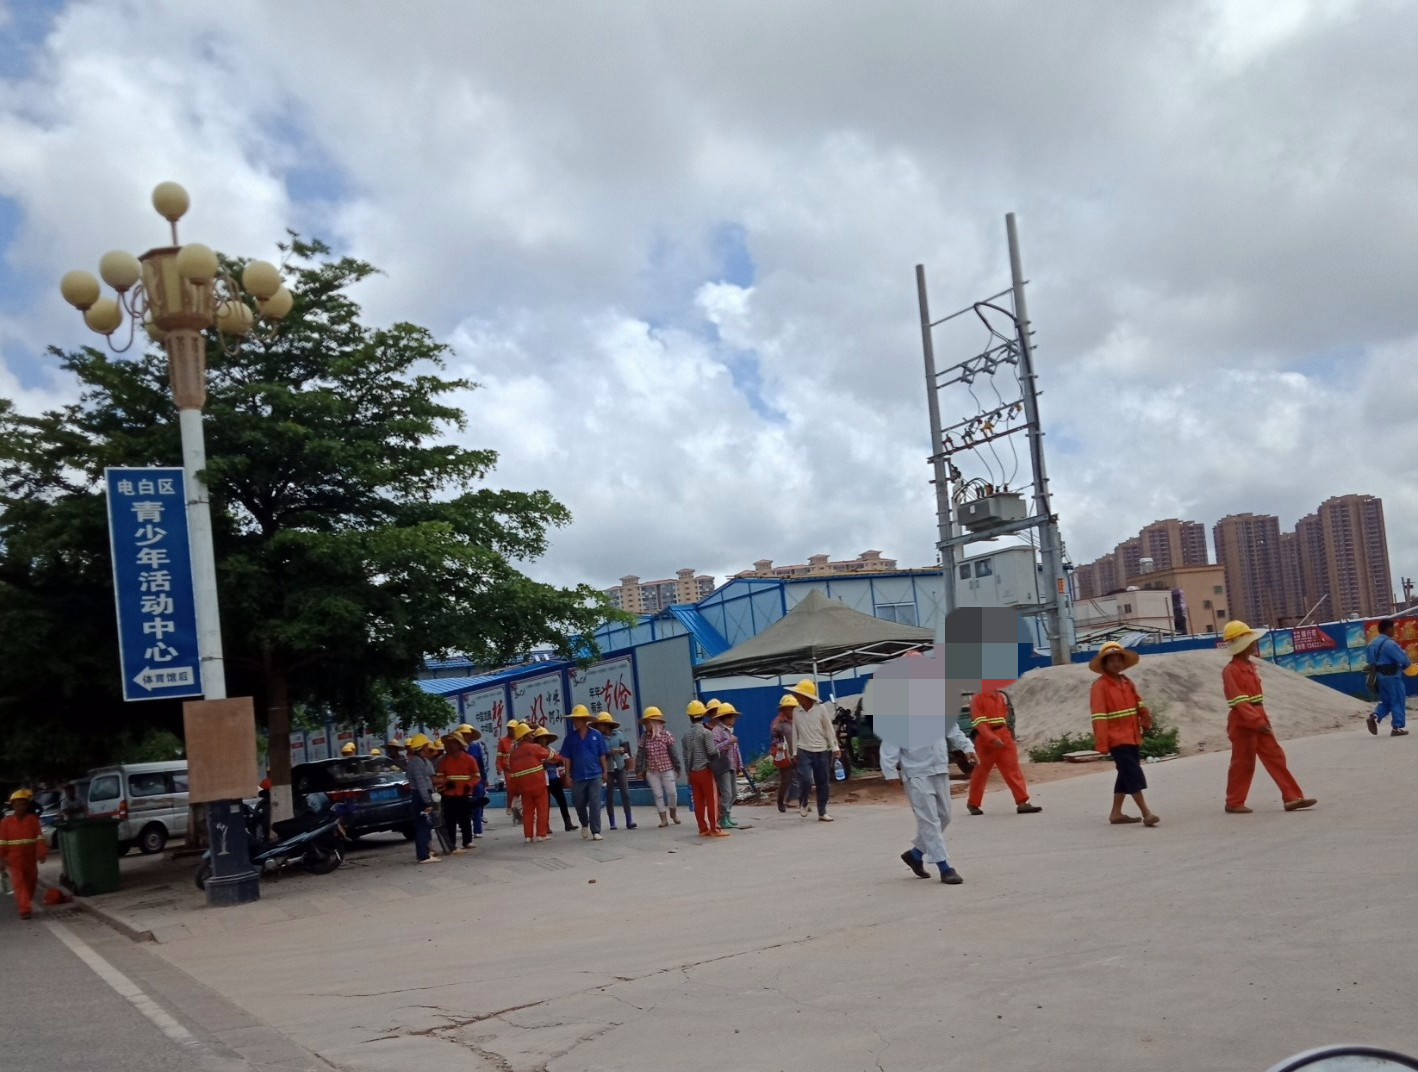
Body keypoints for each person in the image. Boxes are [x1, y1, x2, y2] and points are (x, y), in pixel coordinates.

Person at [1221, 621, 1317, 814]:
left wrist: (1260, 720)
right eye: (1251, 641)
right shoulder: (1231, 670)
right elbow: (1239, 702)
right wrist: (1257, 722)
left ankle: (1292, 798)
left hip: (1257, 716)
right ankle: (1234, 802)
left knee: (1275, 756)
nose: (1255, 644)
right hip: (1243, 721)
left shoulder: (1249, 666)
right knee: (1243, 762)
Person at [880, 711, 977, 885]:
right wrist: (890, 771)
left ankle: (916, 854)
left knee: (945, 816)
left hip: (940, 769)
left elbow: (953, 730)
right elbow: (890, 744)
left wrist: (967, 748)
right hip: (916, 774)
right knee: (929, 821)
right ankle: (944, 867)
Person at [1089, 641, 1161, 827]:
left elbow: (1139, 703)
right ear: (1104, 664)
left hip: (1133, 736)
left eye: (1118, 660)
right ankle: (1146, 813)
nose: (1116, 664)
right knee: (1132, 773)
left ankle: (1116, 813)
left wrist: (1145, 718)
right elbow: (1098, 716)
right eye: (1111, 661)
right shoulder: (1100, 686)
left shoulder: (1127, 682)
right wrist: (1102, 743)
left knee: (1125, 774)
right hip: (1116, 739)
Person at [965, 686, 1042, 816]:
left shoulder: (1000, 697)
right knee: (981, 772)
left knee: (1013, 770)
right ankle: (973, 803)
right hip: (986, 742)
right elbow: (979, 723)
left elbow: (1005, 718)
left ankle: (1022, 802)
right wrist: (992, 738)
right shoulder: (978, 698)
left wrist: (1008, 736)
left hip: (1004, 736)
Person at [786, 679, 840, 822]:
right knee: (806, 779)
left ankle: (822, 812)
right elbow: (795, 733)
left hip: (821, 750)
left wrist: (835, 747)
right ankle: (803, 801)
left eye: (798, 694)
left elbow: (828, 729)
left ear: (806, 696)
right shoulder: (796, 711)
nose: (796, 696)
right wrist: (794, 752)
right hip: (804, 750)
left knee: (823, 782)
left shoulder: (821, 709)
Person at [561, 706, 611, 840]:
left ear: (584, 720)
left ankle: (596, 831)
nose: (575, 722)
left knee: (595, 803)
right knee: (578, 803)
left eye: (577, 719)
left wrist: (605, 771)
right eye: (574, 720)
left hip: (595, 774)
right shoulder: (570, 738)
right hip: (578, 776)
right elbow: (567, 758)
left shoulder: (596, 735)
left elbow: (602, 754)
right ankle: (584, 823)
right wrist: (567, 775)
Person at [509, 723, 562, 842]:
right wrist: (560, 759)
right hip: (539, 784)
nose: (532, 736)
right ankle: (541, 834)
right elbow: (551, 755)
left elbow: (512, 776)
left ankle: (528, 836)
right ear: (525, 736)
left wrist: (515, 791)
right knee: (542, 808)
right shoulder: (534, 747)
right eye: (530, 734)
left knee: (528, 811)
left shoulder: (513, 754)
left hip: (524, 788)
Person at [682, 701, 728, 837]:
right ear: (702, 715)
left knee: (699, 802)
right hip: (706, 771)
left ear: (690, 716)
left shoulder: (686, 735)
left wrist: (688, 773)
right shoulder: (705, 732)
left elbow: (685, 756)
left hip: (693, 773)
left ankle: (703, 829)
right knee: (712, 800)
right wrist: (718, 755)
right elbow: (712, 751)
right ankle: (715, 829)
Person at [1, 789, 48, 919]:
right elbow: (2, 842)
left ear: (27, 805)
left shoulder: (32, 820)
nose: (21, 807)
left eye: (23, 804)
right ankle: (25, 910)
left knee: (31, 882)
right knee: (19, 883)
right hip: (14, 859)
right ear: (13, 805)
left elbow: (39, 837)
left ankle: (27, 901)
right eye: (18, 804)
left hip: (30, 858)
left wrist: (42, 852)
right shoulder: (5, 823)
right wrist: (1, 859)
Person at [635, 706, 683, 827]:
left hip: (667, 768)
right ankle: (663, 819)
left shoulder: (666, 735)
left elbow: (673, 752)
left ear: (654, 722)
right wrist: (639, 770)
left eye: (647, 723)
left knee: (672, 793)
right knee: (658, 794)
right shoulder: (644, 737)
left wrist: (677, 767)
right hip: (652, 770)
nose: (646, 725)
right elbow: (640, 754)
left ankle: (673, 814)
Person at [1366, 620, 1412, 737]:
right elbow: (1404, 660)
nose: (1394, 630)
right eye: (1393, 628)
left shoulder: (1371, 644)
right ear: (1388, 629)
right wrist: (1407, 665)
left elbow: (1371, 662)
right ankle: (1397, 727)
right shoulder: (1390, 644)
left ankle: (1374, 716)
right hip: (1392, 677)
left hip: (1379, 677)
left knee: (1386, 701)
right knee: (1397, 700)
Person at [436, 732, 480, 854]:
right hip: (449, 795)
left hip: (463, 794)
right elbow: (440, 776)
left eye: (453, 743)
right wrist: (446, 783)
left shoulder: (469, 759)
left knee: (465, 818)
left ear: (459, 744)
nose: (451, 745)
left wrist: (469, 785)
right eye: (449, 743)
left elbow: (476, 776)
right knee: (450, 820)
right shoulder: (445, 760)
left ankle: (467, 841)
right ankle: (451, 844)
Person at [403, 735, 442, 863]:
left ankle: (426, 852)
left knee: (426, 824)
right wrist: (427, 801)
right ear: (423, 746)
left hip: (422, 795)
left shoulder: (420, 761)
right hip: (421, 796)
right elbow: (421, 783)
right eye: (426, 745)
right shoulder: (417, 762)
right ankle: (423, 855)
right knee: (422, 825)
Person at [595, 713, 637, 830]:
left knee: (625, 794)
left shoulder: (618, 734)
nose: (599, 727)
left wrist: (622, 750)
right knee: (609, 795)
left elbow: (626, 747)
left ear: (607, 725)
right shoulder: (598, 738)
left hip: (620, 766)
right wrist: (609, 752)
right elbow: (599, 753)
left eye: (601, 724)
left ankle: (629, 820)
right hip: (607, 769)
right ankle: (612, 821)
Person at [710, 702, 747, 830]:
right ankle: (722, 818)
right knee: (726, 793)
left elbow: (736, 750)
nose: (734, 720)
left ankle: (727, 815)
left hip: (731, 765)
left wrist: (740, 765)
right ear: (725, 718)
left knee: (733, 793)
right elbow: (714, 748)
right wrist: (728, 742)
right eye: (732, 717)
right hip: (723, 766)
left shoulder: (729, 731)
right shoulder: (717, 731)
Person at [458, 724, 490, 838]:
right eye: (464, 734)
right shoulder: (456, 750)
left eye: (468, 734)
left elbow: (481, 764)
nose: (466, 737)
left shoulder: (476, 747)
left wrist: (484, 779)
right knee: (463, 806)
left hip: (477, 780)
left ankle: (477, 829)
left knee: (477, 804)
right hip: (462, 782)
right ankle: (465, 828)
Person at [769, 696, 799, 813]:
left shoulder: (798, 720)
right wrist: (778, 745)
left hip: (798, 752)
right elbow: (774, 738)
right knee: (786, 779)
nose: (791, 711)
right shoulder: (778, 723)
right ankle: (780, 801)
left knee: (802, 778)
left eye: (793, 708)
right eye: (788, 708)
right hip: (785, 754)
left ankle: (802, 802)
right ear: (784, 709)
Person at [497, 720, 523, 824]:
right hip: (508, 768)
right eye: (509, 728)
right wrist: (499, 767)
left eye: (512, 728)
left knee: (521, 788)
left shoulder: (519, 740)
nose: (510, 730)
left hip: (519, 767)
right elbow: (499, 756)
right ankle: (510, 806)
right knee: (511, 788)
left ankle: (518, 809)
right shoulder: (503, 741)